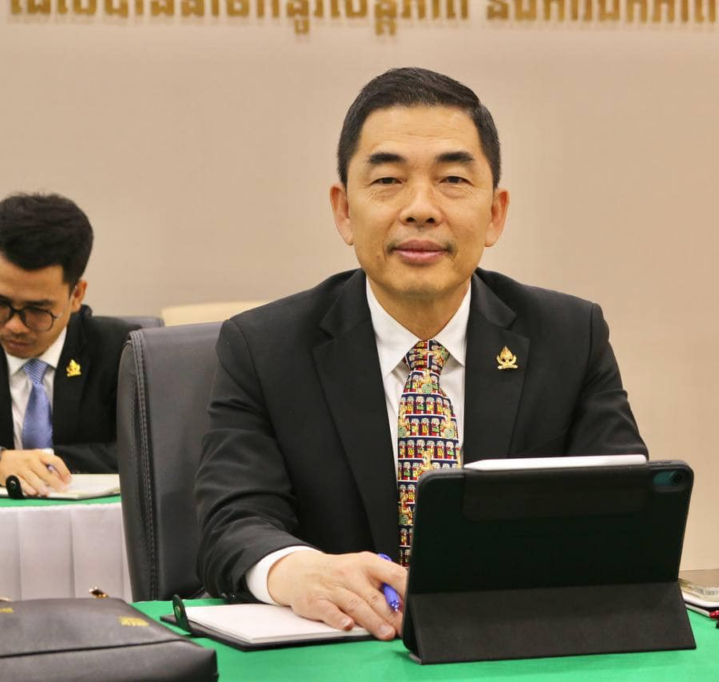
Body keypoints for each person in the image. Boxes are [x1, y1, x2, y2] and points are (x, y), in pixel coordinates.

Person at [195, 68, 647, 641]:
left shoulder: (570, 337)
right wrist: (296, 569)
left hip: (514, 651)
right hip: (343, 654)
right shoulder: (264, 348)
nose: (421, 209)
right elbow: (232, 523)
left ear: (496, 213)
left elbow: (626, 515)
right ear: (343, 210)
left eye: (453, 179)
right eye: (388, 180)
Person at [0, 193, 138, 496]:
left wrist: (39, 463)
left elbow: (151, 452)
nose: (14, 325)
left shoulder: (123, 352)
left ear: (76, 295)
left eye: (36, 310)